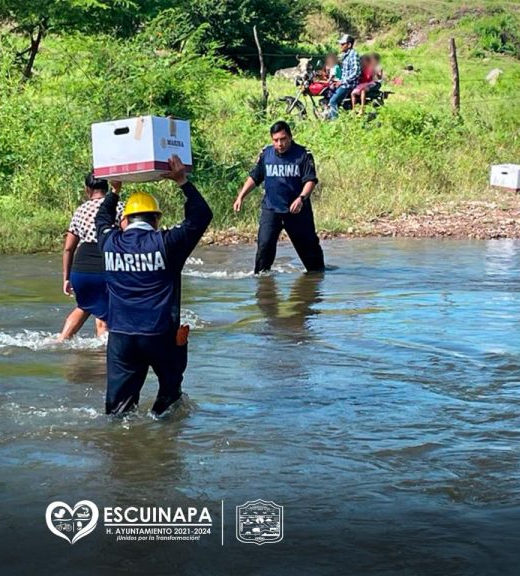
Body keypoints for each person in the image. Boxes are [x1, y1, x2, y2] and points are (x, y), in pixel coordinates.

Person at [95, 155, 212, 416]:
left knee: (118, 411)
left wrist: (114, 191)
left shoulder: (110, 243)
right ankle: (163, 434)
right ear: (156, 220)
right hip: (160, 335)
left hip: (122, 337)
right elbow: (201, 215)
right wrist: (182, 180)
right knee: (170, 398)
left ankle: (122, 445)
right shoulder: (168, 243)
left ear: (123, 221)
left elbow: (101, 221)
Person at [233, 120, 325, 274]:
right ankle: (263, 283)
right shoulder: (266, 154)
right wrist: (241, 196)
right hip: (272, 209)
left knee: (311, 257)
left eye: (283, 139)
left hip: (297, 211)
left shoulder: (303, 155)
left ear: (290, 137)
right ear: (272, 140)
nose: (280, 144)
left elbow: (310, 180)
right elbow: (255, 177)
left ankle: (316, 281)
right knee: (264, 245)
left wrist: (301, 198)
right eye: (276, 140)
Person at [58, 174, 123, 341]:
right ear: (108, 188)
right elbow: (130, 237)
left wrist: (66, 278)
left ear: (87, 189)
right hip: (106, 264)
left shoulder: (80, 210)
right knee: (103, 319)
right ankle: (102, 361)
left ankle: (61, 341)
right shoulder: (119, 207)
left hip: (81, 269)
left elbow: (68, 248)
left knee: (85, 305)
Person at [326, 34, 361, 119]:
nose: (340, 46)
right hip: (344, 83)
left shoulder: (353, 55)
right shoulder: (345, 55)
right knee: (328, 91)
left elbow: (356, 72)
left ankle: (334, 123)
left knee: (333, 101)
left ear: (349, 45)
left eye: (342, 44)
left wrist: (342, 81)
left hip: (348, 84)